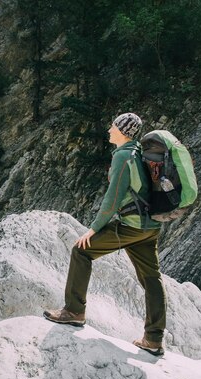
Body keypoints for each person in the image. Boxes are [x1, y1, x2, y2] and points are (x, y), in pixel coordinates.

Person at [43, 113, 166, 356]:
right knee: (152, 278)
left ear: (122, 130)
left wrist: (93, 229)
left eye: (113, 125)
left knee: (81, 251)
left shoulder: (123, 156)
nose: (109, 129)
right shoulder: (139, 151)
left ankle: (74, 311)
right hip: (149, 228)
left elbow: (112, 199)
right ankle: (154, 339)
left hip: (130, 226)